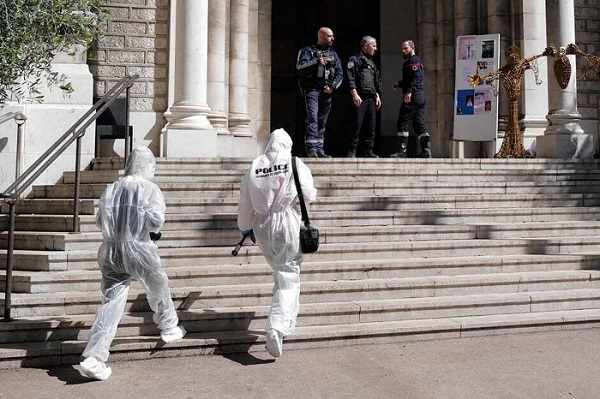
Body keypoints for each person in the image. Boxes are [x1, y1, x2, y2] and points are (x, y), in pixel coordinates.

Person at [79, 147, 186, 380]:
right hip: (139, 248)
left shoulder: (111, 189)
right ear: (147, 166)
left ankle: (94, 357)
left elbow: (100, 221)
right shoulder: (149, 188)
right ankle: (168, 326)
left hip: (110, 250)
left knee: (111, 303)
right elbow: (156, 220)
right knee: (158, 286)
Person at [237, 128, 317, 358]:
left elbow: (245, 203)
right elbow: (309, 194)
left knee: (281, 273)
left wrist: (245, 226)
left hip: (261, 226)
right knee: (288, 275)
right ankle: (277, 327)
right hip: (286, 223)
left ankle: (283, 321)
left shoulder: (256, 165)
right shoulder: (294, 163)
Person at [296, 27, 343, 158]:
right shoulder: (307, 51)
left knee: (322, 121)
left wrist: (332, 87)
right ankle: (311, 149)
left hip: (327, 91)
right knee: (313, 118)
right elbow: (300, 68)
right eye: (329, 36)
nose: (332, 38)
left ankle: (319, 150)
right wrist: (317, 62)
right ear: (321, 36)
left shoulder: (334, 55)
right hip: (312, 90)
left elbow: (340, 73)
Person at [390, 40, 432, 158]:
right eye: (402, 48)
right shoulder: (411, 61)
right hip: (419, 96)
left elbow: (417, 78)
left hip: (414, 96)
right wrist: (399, 84)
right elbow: (410, 80)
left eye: (406, 48)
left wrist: (409, 91)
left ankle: (402, 151)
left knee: (402, 121)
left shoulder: (414, 61)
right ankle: (426, 150)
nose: (403, 51)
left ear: (412, 48)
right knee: (418, 123)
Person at [346, 36, 382, 158]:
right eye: (374, 46)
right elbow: (350, 78)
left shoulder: (371, 63)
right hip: (360, 97)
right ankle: (352, 150)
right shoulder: (354, 60)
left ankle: (369, 151)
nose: (376, 49)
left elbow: (374, 81)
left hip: (371, 98)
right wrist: (354, 94)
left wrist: (377, 95)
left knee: (371, 126)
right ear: (365, 46)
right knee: (357, 124)